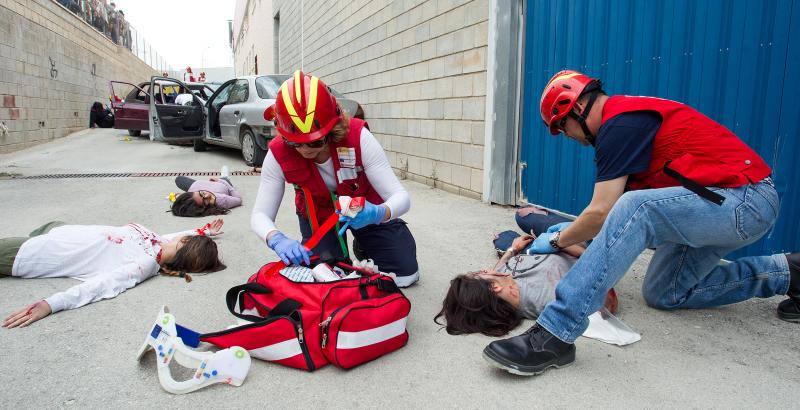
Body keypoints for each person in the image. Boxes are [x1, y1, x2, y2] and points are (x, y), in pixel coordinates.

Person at [482, 70, 798, 376]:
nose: (568, 137)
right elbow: (611, 222)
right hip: (717, 206)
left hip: (747, 201)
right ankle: (788, 273)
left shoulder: (620, 125)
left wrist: (556, 240)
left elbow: (604, 212)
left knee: (637, 207)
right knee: (664, 292)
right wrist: (574, 234)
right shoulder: (623, 125)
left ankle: (556, 331)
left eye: (562, 127)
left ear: (576, 108)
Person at [251, 71, 419, 287]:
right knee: (328, 277)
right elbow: (260, 214)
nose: (304, 150)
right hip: (318, 217)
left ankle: (364, 244)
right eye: (295, 143)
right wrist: (275, 237)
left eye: (315, 142)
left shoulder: (359, 137)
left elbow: (401, 197)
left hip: (366, 210)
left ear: (331, 129)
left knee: (405, 274)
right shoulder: (277, 153)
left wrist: (379, 212)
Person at [1, 219, 226, 328]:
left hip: (31, 253)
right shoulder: (160, 242)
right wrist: (204, 231)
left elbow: (105, 284)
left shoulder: (146, 263)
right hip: (57, 230)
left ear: (185, 244)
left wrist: (51, 304)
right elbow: (176, 235)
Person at [172, 167, 242, 217]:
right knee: (224, 179)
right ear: (203, 208)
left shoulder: (193, 197)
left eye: (202, 193)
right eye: (205, 200)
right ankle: (225, 176)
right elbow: (239, 200)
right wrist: (220, 181)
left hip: (196, 185)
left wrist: (180, 197)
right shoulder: (223, 200)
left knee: (179, 179)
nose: (207, 195)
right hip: (221, 184)